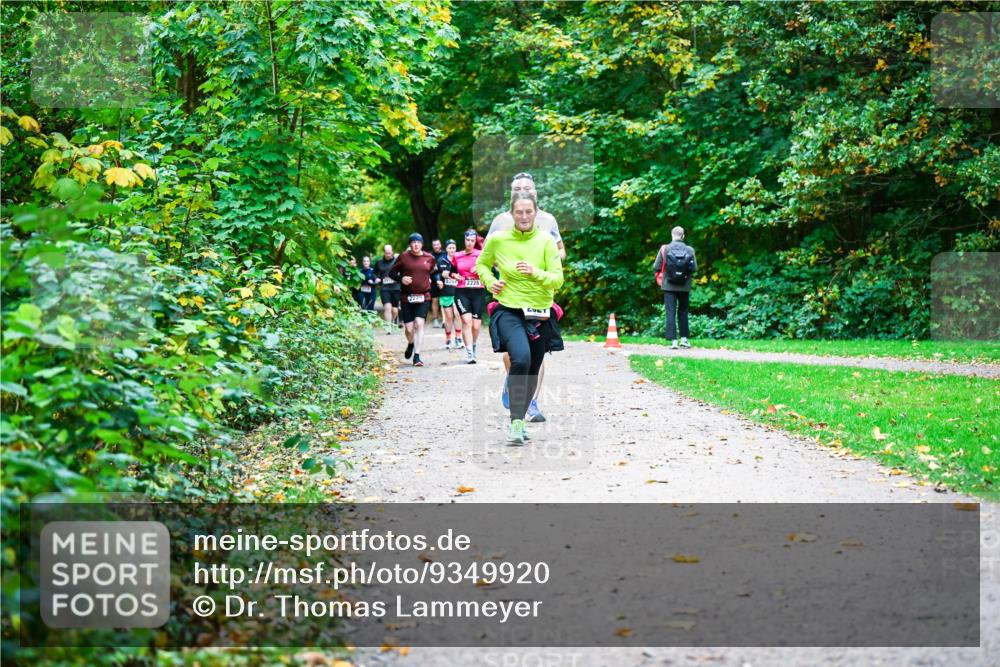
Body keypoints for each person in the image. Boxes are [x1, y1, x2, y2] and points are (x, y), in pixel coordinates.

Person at [476, 192, 564, 445]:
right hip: (509, 309)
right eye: (519, 212)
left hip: (540, 312)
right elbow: (481, 265)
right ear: (511, 215)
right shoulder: (499, 240)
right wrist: (492, 282)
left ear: (536, 213)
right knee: (521, 358)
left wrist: (535, 272)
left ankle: (521, 416)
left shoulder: (547, 241)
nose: (524, 216)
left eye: (528, 211)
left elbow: (557, 279)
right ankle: (516, 422)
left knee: (533, 370)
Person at [389, 233, 440, 367]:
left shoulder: (429, 258)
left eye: (418, 242)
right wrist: (401, 279)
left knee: (419, 323)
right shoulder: (404, 257)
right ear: (410, 244)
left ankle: (417, 356)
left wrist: (436, 280)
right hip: (407, 297)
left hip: (424, 296)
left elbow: (435, 270)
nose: (416, 245)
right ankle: (411, 343)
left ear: (422, 244)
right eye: (413, 242)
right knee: (409, 328)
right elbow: (391, 273)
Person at [653, 226, 697, 349]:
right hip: (684, 286)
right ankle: (684, 340)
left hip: (668, 286)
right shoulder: (690, 249)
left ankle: (673, 342)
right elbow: (694, 268)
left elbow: (656, 266)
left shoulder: (665, 248)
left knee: (670, 313)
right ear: (683, 236)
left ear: (672, 235)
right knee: (683, 312)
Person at [453, 228, 487, 364]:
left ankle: (473, 346)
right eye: (467, 240)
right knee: (466, 321)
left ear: (475, 241)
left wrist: (480, 269)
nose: (470, 243)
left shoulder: (482, 254)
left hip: (478, 291)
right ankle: (469, 353)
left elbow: (490, 268)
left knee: (476, 326)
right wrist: (454, 275)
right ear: (464, 240)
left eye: (472, 240)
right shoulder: (457, 255)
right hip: (462, 291)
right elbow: (451, 271)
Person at [437, 239, 464, 350]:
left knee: (457, 314)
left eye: (453, 248)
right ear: (446, 249)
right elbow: (438, 273)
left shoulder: (460, 260)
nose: (452, 250)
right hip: (445, 291)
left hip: (458, 291)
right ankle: (448, 338)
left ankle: (458, 337)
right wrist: (438, 281)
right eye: (450, 248)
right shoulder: (441, 260)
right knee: (448, 317)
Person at [374, 245, 400, 334]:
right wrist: (376, 278)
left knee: (395, 310)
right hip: (385, 289)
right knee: (387, 308)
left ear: (392, 252)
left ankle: (392, 321)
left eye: (389, 253)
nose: (388, 254)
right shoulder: (379, 263)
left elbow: (404, 270)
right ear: (384, 253)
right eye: (386, 253)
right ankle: (388, 326)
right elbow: (374, 273)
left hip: (396, 288)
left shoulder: (397, 261)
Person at [429, 238, 446, 328]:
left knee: (443, 299)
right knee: (434, 300)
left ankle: (444, 320)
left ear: (440, 245)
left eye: (437, 244)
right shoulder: (429, 255)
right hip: (433, 280)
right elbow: (427, 270)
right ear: (433, 246)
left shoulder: (445, 254)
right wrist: (433, 269)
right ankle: (435, 319)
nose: (436, 246)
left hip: (444, 280)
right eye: (434, 245)